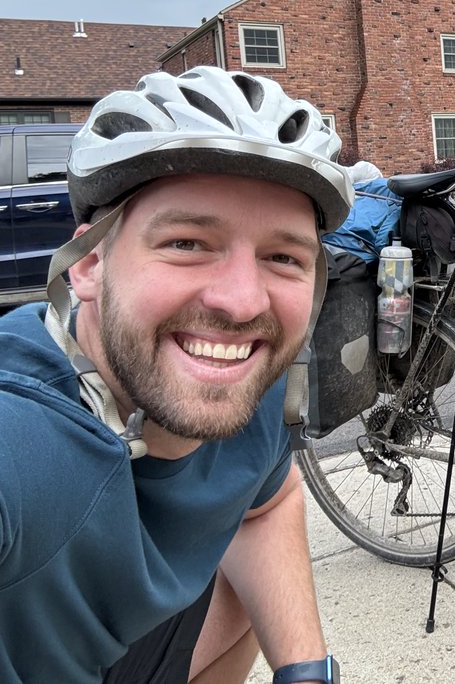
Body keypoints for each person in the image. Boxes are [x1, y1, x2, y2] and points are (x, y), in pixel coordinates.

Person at [0, 67, 354, 683]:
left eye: (282, 257)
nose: (244, 304)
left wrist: (305, 674)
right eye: (188, 243)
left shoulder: (251, 383)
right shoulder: (20, 438)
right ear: (87, 264)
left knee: (236, 590)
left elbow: (266, 504)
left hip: (115, 650)